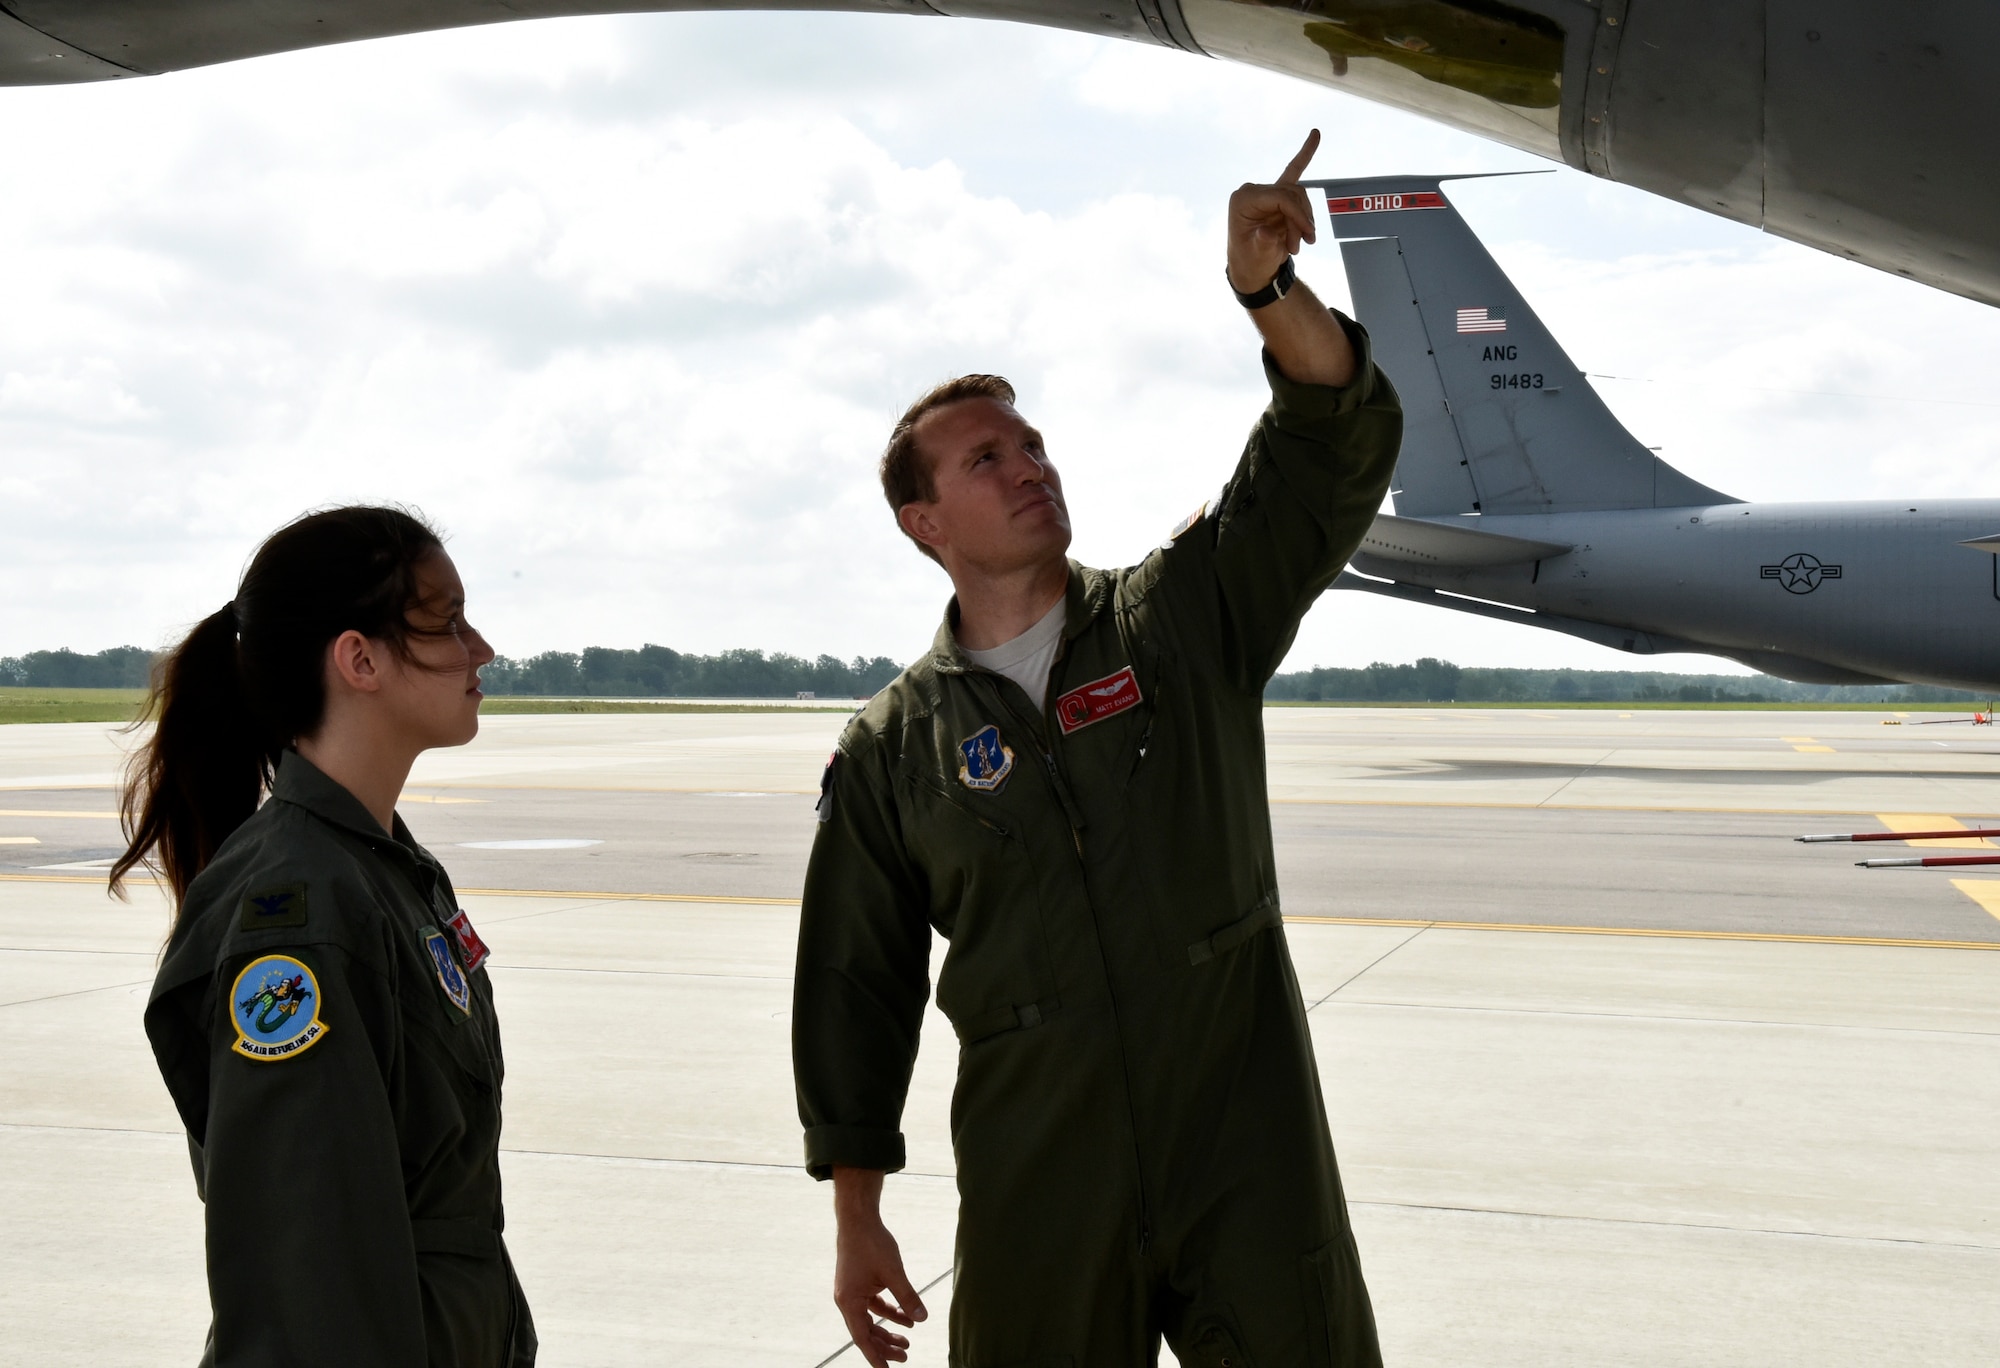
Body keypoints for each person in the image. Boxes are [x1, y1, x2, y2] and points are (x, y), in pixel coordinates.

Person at [792, 131, 1404, 1367]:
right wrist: (856, 1218)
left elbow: (1321, 444)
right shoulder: (891, 749)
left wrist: (1266, 293)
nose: (1028, 468)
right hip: (1040, 1171)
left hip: (1244, 1148)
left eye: (1031, 446)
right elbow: (854, 988)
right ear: (923, 522)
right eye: (985, 459)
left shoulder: (1181, 619)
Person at [116, 505, 535, 1367]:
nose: (480, 647)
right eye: (447, 620)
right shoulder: (300, 911)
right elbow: (309, 1266)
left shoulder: (381, 871)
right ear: (359, 659)